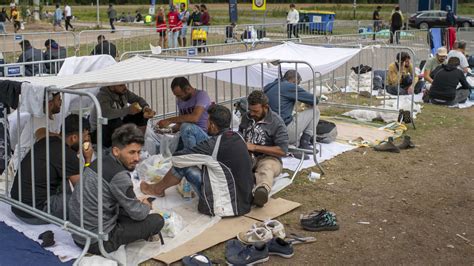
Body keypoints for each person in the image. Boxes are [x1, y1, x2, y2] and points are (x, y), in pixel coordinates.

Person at [141, 105, 254, 216]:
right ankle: (195, 159)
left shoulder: (213, 145)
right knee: (188, 129)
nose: (206, 124)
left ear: (213, 125)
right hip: (245, 200)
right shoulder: (238, 137)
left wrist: (194, 158)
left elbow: (177, 160)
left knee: (183, 165)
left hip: (227, 205)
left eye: (207, 121)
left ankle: (156, 189)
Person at [69, 124, 164, 254]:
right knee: (157, 220)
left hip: (78, 235)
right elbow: (138, 213)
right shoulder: (119, 176)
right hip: (97, 242)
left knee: (127, 209)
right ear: (116, 151)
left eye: (138, 152)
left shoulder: (99, 161)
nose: (137, 158)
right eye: (131, 152)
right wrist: (146, 205)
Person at [10, 114, 93, 225]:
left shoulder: (48, 141)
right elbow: (85, 190)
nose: (87, 139)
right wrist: (88, 159)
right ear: (74, 138)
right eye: (85, 136)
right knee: (84, 203)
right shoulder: (67, 155)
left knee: (65, 179)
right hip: (33, 213)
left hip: (17, 206)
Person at [239, 91, 289, 207]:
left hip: (268, 158)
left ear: (265, 107)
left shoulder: (276, 122)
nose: (251, 113)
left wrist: (255, 147)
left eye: (255, 111)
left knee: (266, 169)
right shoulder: (246, 117)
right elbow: (241, 134)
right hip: (247, 156)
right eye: (250, 110)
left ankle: (261, 192)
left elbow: (282, 150)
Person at [264, 70, 319, 153]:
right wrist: (307, 102)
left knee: (292, 114)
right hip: (283, 132)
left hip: (268, 133)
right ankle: (304, 142)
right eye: (297, 84)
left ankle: (291, 144)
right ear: (294, 81)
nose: (297, 86)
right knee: (315, 110)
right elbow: (315, 100)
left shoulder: (270, 86)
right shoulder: (289, 86)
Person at [90, 84, 155, 148]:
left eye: (124, 84)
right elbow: (107, 114)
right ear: (112, 86)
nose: (125, 87)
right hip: (99, 132)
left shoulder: (123, 92)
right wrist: (128, 110)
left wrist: (145, 108)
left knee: (140, 114)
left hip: (117, 124)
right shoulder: (102, 95)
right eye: (121, 85)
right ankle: (121, 149)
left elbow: (138, 99)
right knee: (115, 121)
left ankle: (138, 143)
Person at [157, 77, 211, 151]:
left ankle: (191, 156)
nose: (178, 98)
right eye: (176, 96)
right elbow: (180, 123)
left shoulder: (201, 95)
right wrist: (167, 130)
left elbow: (195, 118)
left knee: (187, 127)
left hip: (203, 135)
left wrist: (169, 120)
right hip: (188, 136)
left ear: (188, 89)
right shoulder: (180, 100)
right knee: (164, 148)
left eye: (179, 95)